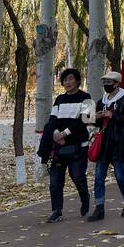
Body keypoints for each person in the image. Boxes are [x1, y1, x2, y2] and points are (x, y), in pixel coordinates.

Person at [37, 67, 91, 222]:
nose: (67, 82)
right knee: (55, 182)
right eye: (65, 80)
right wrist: (55, 134)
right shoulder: (59, 99)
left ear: (78, 81)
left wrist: (65, 133)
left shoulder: (87, 98)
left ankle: (84, 197)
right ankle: (57, 211)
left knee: (78, 176)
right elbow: (52, 119)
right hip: (58, 146)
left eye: (70, 79)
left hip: (78, 145)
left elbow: (85, 120)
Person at [87, 70, 124, 220]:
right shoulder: (102, 101)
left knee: (120, 175)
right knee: (99, 176)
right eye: (105, 83)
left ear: (116, 84)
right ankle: (99, 208)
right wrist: (97, 117)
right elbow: (97, 121)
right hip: (104, 144)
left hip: (119, 143)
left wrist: (114, 116)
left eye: (109, 83)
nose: (107, 85)